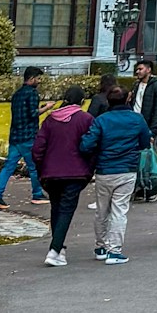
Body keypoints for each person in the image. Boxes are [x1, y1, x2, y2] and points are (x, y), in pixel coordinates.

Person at [79, 82, 152, 263]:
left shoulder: (101, 120)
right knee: (120, 210)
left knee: (102, 210)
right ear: (128, 98)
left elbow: (86, 145)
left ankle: (101, 246)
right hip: (126, 169)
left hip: (104, 170)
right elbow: (145, 143)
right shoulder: (136, 119)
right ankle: (114, 250)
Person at [33, 84, 95, 267]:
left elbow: (38, 148)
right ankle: (54, 250)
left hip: (51, 173)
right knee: (66, 210)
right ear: (82, 101)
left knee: (57, 209)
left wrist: (41, 168)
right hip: (75, 172)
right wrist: (89, 169)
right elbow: (91, 146)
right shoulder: (86, 119)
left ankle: (59, 249)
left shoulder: (50, 119)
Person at [0, 67, 48, 210]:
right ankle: (37, 194)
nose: (39, 82)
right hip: (28, 137)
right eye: (38, 79)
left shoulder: (17, 94)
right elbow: (32, 113)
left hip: (15, 136)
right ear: (31, 78)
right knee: (34, 167)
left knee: (8, 168)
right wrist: (46, 108)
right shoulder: (33, 93)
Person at [130, 58, 157, 203]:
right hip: (135, 128)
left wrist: (152, 132)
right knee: (137, 160)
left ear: (149, 69)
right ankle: (139, 189)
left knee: (150, 162)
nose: (137, 72)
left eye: (140, 69)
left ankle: (150, 189)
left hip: (148, 129)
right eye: (137, 69)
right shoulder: (136, 85)